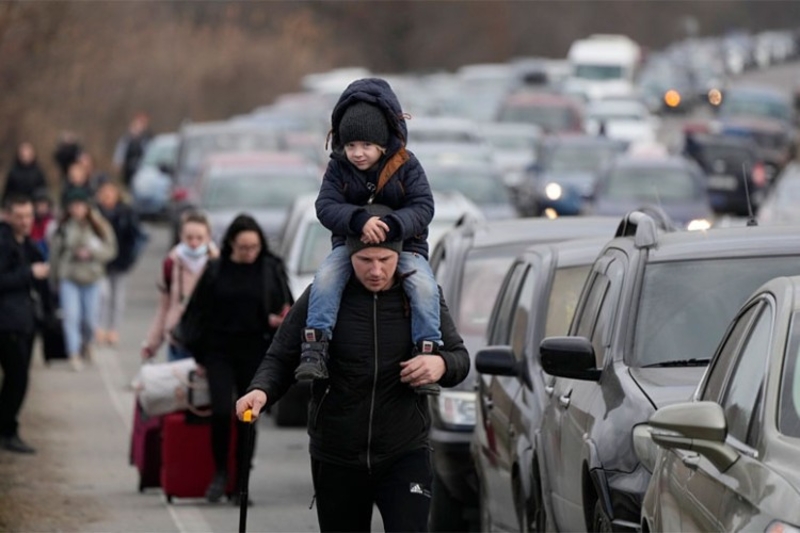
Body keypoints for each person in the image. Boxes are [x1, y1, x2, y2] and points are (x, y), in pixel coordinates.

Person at [235, 207, 470, 532]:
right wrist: (260, 391)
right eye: (365, 261)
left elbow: (460, 358)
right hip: (337, 453)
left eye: (385, 261)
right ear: (348, 258)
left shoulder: (421, 298)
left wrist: (441, 363)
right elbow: (281, 356)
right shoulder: (322, 297)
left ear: (399, 257)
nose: (376, 270)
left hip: (404, 450)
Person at [295, 78, 441, 396]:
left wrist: (391, 225)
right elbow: (325, 206)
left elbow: (423, 206)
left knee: (425, 287)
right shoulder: (338, 169)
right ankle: (315, 346)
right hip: (350, 247)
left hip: (407, 247)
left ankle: (427, 351)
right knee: (326, 278)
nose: (357, 154)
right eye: (350, 146)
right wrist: (358, 220)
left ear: (383, 144)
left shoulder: (407, 165)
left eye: (365, 146)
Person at [179, 214, 292, 503]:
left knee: (247, 416)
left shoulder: (271, 268)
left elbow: (287, 307)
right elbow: (196, 313)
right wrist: (198, 353)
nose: (249, 253)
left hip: (255, 351)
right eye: (243, 247)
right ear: (230, 244)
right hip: (218, 351)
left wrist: (279, 319)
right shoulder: (216, 270)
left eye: (254, 247)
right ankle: (220, 473)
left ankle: (242, 482)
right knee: (219, 412)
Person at [0, 195, 50, 454]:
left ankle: (8, 428)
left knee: (17, 379)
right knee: (16, 379)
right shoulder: (4, 242)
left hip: (24, 321)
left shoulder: (28, 244)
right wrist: (29, 273)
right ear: (7, 215)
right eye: (19, 216)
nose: (25, 222)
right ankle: (7, 430)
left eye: (29, 216)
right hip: (8, 323)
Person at [49, 188, 117, 371]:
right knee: (71, 317)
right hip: (69, 276)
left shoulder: (99, 226)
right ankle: (73, 352)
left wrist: (92, 253)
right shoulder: (63, 227)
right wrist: (53, 279)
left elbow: (111, 250)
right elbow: (54, 255)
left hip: (92, 277)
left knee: (89, 318)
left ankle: (88, 343)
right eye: (74, 206)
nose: (77, 209)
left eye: (81, 205)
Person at [142, 211, 218, 362]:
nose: (194, 243)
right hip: (179, 338)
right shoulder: (171, 263)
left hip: (209, 341)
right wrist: (151, 344)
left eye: (199, 238)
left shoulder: (217, 264)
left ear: (208, 237)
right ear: (181, 236)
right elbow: (164, 307)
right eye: (189, 238)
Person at [95, 181, 146, 346]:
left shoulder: (126, 212)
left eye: (111, 193)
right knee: (103, 296)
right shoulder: (95, 214)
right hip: (101, 262)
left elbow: (137, 237)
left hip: (121, 261)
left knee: (117, 297)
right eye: (105, 193)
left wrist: (131, 257)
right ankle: (100, 327)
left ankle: (113, 329)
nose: (108, 197)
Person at [113, 113, 152, 189]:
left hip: (141, 169)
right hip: (128, 168)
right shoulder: (127, 138)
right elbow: (121, 150)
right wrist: (118, 163)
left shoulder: (148, 138)